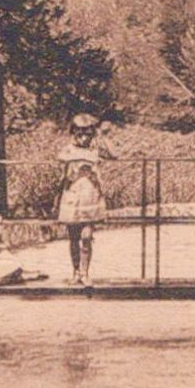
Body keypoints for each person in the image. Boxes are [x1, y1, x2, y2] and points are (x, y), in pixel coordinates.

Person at [55, 112, 114, 286]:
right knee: (73, 237)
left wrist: (103, 136)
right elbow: (62, 157)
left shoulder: (95, 148)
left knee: (87, 237)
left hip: (90, 196)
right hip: (72, 196)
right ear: (73, 133)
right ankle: (75, 272)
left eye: (87, 134)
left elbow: (114, 154)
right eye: (78, 133)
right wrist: (84, 158)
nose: (82, 137)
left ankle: (85, 272)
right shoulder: (69, 149)